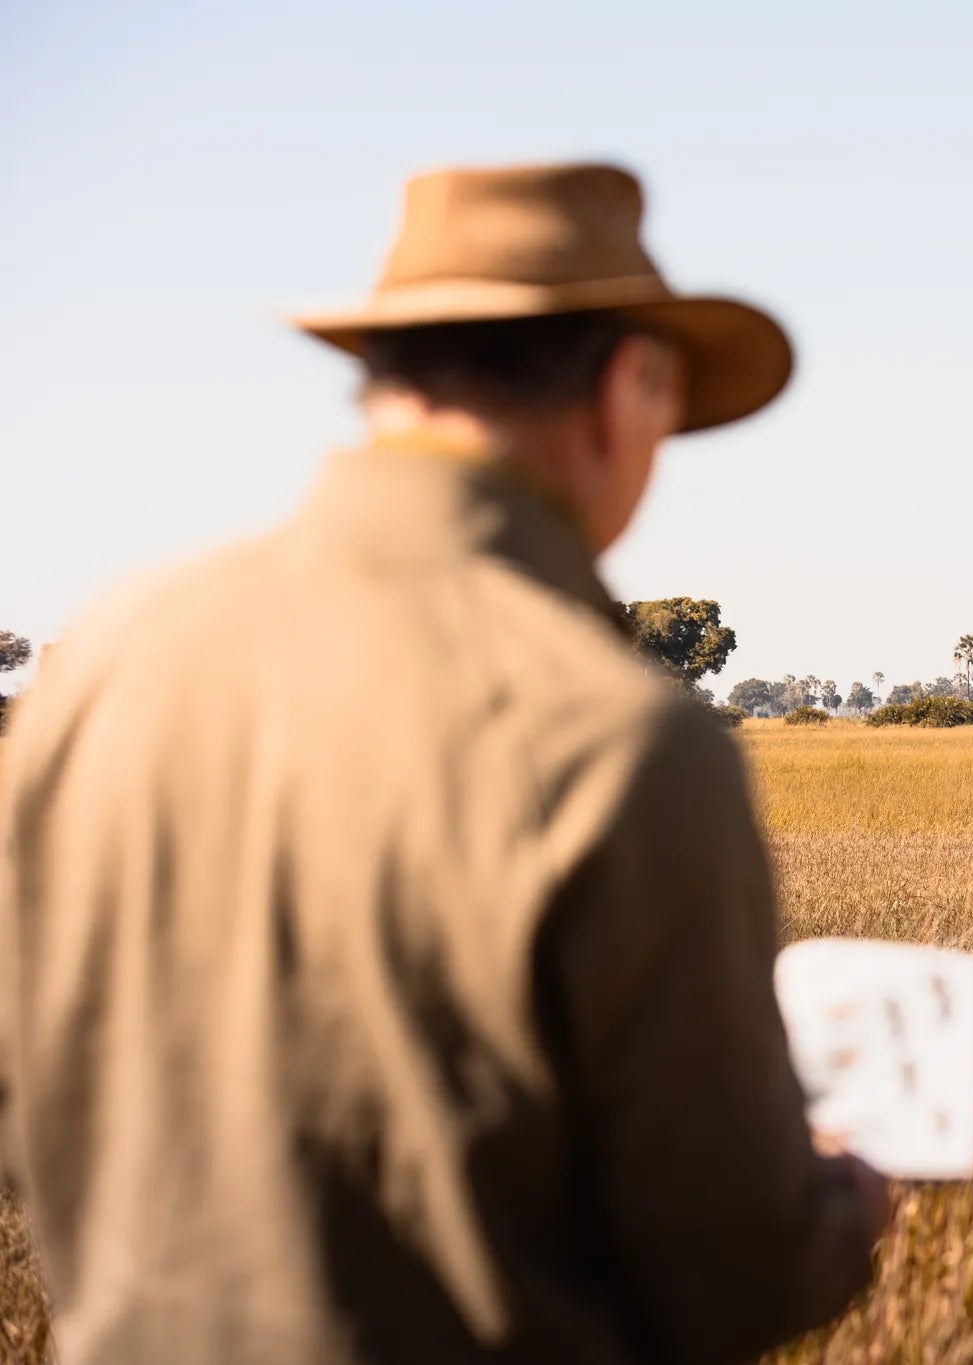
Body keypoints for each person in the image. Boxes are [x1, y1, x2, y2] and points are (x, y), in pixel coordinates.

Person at [0, 162, 889, 1364]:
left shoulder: (107, 654)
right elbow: (730, 1274)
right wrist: (849, 1199)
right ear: (631, 384)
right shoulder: (617, 740)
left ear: (383, 380)